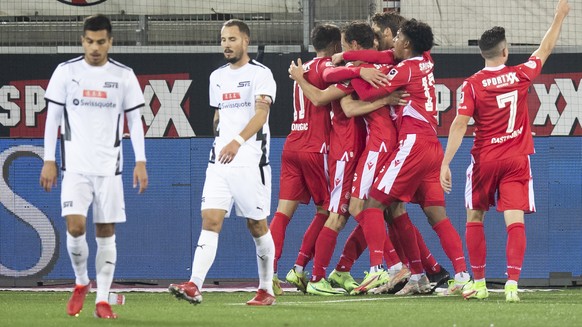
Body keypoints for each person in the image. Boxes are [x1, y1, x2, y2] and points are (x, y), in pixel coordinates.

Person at [440, 0, 570, 302]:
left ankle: (482, 284)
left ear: (482, 54)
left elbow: (459, 124)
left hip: (485, 159)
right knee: (515, 221)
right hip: (515, 160)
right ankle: (512, 285)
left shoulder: (472, 84)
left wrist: (445, 163)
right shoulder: (520, 74)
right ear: (505, 51)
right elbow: (545, 49)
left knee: (475, 217)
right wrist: (559, 16)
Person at [349, 18, 471, 296]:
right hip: (432, 146)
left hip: (412, 145)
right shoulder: (426, 59)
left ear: (406, 43)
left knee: (372, 205)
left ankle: (381, 269)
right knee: (434, 215)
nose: (394, 41)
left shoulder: (404, 70)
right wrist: (349, 56)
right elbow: (383, 55)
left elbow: (369, 92)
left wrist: (356, 71)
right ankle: (455, 276)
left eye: (398, 37)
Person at [40, 14, 148, 319]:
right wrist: (49, 159)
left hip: (110, 170)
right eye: (90, 41)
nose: (95, 47)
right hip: (74, 168)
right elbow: (53, 120)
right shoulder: (66, 72)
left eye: (101, 41)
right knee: (75, 227)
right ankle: (80, 282)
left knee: (105, 232)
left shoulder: (124, 76)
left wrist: (141, 161)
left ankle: (102, 300)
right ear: (82, 41)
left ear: (110, 42)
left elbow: (135, 122)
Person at [168, 19, 277, 306]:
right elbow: (219, 115)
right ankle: (195, 285)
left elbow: (260, 115)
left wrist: (237, 142)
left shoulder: (261, 74)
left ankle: (266, 289)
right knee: (211, 219)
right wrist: (222, 140)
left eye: (232, 39)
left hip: (251, 161)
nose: (226, 44)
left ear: (245, 42)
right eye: (223, 39)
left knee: (257, 225)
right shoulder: (216, 77)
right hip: (220, 160)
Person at [268, 24, 341, 296]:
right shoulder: (325, 68)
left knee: (282, 214)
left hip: (292, 145)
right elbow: (324, 100)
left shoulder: (304, 67)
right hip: (316, 147)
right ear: (335, 45)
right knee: (328, 211)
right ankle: (300, 267)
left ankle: (269, 275)